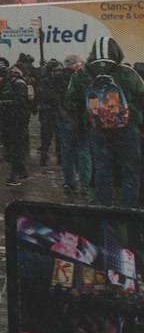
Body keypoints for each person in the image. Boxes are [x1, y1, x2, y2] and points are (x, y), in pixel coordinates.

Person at [64, 36, 144, 208]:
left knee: (102, 169)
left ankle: (103, 207)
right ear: (116, 51)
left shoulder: (81, 74)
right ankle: (129, 208)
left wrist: (85, 117)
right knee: (130, 169)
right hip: (127, 128)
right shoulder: (128, 72)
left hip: (98, 128)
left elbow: (69, 101)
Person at [0, 65, 32, 187]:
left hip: (18, 120)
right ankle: (22, 170)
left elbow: (20, 102)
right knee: (8, 147)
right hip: (6, 120)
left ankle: (14, 175)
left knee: (15, 147)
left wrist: (1, 104)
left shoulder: (18, 83)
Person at [56, 55, 93, 197]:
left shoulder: (58, 79)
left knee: (67, 154)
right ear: (77, 65)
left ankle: (68, 182)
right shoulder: (84, 78)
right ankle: (85, 183)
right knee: (84, 153)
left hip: (65, 121)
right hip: (81, 121)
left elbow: (56, 101)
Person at [37, 60, 69, 168]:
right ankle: (45, 157)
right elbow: (42, 96)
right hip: (48, 112)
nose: (58, 73)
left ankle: (59, 158)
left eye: (60, 71)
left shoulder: (63, 82)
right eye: (56, 71)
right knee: (47, 137)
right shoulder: (45, 82)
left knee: (59, 137)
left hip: (56, 112)